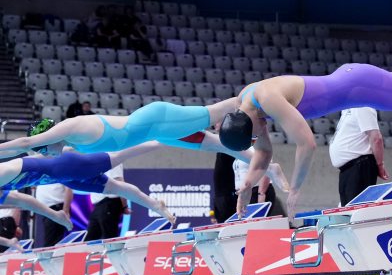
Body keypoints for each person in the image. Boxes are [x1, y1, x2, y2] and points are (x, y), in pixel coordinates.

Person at [219, 64, 392, 218]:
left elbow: (307, 144)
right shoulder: (247, 102)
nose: (261, 134)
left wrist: (295, 188)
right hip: (353, 79)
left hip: (358, 87)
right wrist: (248, 184)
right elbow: (264, 153)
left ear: (248, 124)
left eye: (255, 134)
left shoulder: (268, 100)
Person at [0, 100, 247, 160]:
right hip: (158, 132)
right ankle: (266, 167)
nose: (45, 155)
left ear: (47, 138)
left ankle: (255, 98)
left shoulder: (68, 127)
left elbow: (24, 144)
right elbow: (23, 153)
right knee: (220, 146)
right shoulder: (71, 144)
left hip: (157, 120)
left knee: (218, 110)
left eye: (43, 150)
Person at [0, 141, 178, 224]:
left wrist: (66, 149)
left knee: (118, 157)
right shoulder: (2, 191)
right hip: (65, 177)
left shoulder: (3, 172)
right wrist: (56, 216)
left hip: (66, 165)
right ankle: (155, 205)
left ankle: (163, 140)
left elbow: (30, 154)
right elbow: (26, 201)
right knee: (115, 188)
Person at [330, 107, 387, 207]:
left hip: (359, 166)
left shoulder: (363, 107)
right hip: (348, 169)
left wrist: (380, 164)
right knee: (347, 211)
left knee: (356, 210)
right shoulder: (347, 109)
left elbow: (376, 138)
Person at [85, 164, 128, 241]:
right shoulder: (96, 161)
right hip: (99, 205)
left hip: (109, 202)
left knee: (109, 238)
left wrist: (124, 205)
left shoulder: (113, 161)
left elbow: (119, 183)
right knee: (90, 239)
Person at [35, 183, 72, 247]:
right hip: (46, 211)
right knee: (52, 243)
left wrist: (66, 210)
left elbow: (69, 187)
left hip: (56, 210)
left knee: (51, 245)